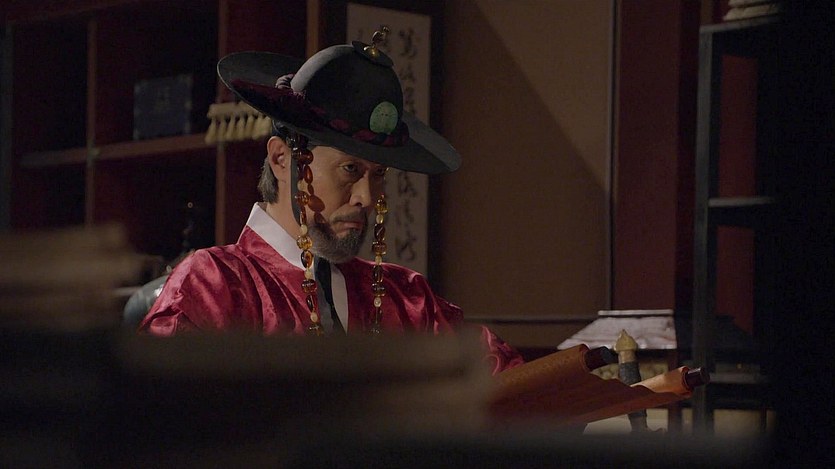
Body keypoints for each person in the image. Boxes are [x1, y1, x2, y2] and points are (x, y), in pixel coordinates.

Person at [139, 28, 523, 374]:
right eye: (350, 169)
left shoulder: (406, 298)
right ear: (282, 159)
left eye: (378, 174)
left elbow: (512, 385)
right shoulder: (215, 287)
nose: (366, 198)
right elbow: (160, 415)